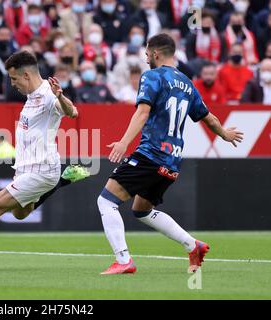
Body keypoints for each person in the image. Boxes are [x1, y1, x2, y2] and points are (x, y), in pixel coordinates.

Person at [97, 33, 243, 275]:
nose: (145, 59)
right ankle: (192, 245)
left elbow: (142, 113)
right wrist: (224, 134)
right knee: (141, 209)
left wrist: (124, 142)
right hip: (172, 162)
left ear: (155, 53)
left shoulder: (152, 76)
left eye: (146, 54)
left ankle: (123, 261)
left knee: (106, 200)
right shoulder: (187, 82)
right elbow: (208, 117)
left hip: (150, 154)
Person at [0, 51, 81, 266]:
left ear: (27, 76)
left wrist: (60, 96)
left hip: (42, 169)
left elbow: (72, 112)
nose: (12, 84)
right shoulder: (31, 97)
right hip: (27, 169)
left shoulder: (49, 94)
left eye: (14, 79)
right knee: (20, 213)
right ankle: (61, 182)